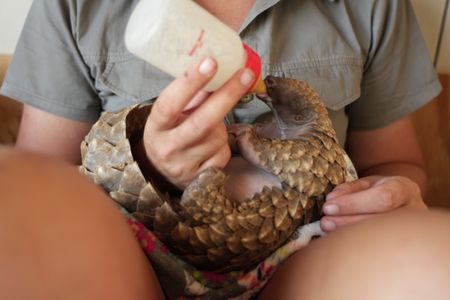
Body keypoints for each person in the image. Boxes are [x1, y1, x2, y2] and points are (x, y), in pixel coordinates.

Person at [0, 0, 448, 298]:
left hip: (302, 262)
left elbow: (397, 163)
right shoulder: (76, 7)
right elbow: (45, 186)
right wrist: (146, 171)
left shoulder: (369, 6)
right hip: (138, 264)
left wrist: (395, 196)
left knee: (434, 260)